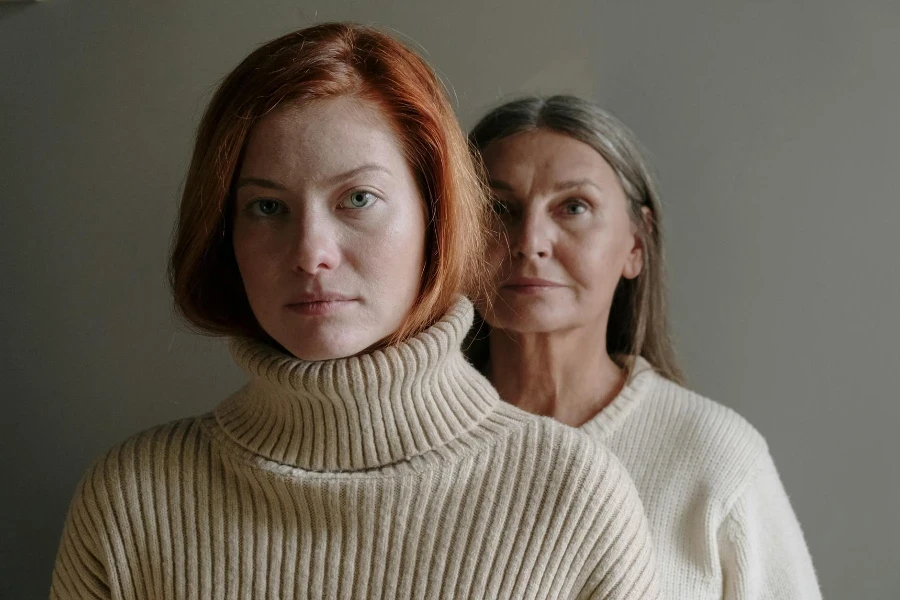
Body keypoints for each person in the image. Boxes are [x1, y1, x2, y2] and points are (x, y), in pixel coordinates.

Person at [50, 28, 661, 600]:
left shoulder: (574, 495)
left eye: (358, 199)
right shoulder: (130, 499)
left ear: (437, 216)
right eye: (267, 207)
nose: (311, 252)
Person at [468, 94, 821, 599]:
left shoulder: (715, 458)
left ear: (636, 244)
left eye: (573, 207)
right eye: (500, 208)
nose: (531, 240)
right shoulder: (403, 444)